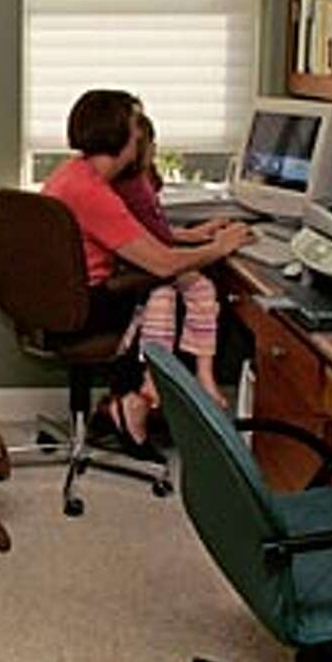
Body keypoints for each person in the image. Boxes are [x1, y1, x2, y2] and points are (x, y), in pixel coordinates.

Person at [41, 89, 250, 447]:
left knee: (167, 285)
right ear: (119, 134)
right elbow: (161, 261)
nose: (141, 134)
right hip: (86, 309)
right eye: (137, 125)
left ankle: (134, 398)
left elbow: (138, 239)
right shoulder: (93, 193)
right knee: (171, 287)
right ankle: (137, 398)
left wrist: (188, 237)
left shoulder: (73, 174)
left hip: (59, 300)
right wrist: (220, 247)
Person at [112, 112, 235, 407]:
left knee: (163, 297)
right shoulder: (130, 186)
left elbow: (153, 229)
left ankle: (159, 378)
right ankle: (194, 375)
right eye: (150, 144)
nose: (156, 150)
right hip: (138, 263)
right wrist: (217, 246)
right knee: (201, 289)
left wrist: (190, 236)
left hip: (145, 259)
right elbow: (149, 239)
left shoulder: (143, 180)